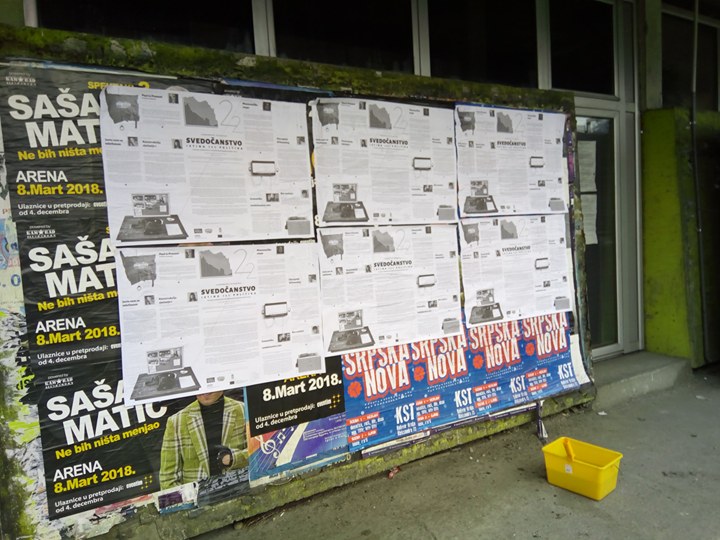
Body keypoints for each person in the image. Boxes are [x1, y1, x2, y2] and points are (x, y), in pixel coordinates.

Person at [159, 391, 248, 489]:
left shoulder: (243, 410)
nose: (205, 391)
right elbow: (168, 480)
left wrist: (232, 458)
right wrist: (192, 497)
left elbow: (258, 454)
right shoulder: (177, 422)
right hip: (198, 497)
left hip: (240, 491)